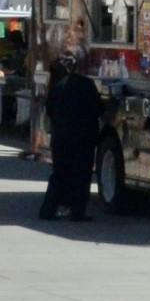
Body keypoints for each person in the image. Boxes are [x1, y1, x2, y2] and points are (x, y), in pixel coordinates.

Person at [41, 52, 104, 222]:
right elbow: (98, 109)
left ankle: (47, 210)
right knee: (81, 174)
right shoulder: (86, 84)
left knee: (59, 174)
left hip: (61, 137)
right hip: (84, 136)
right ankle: (78, 212)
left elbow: (50, 111)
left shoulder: (55, 87)